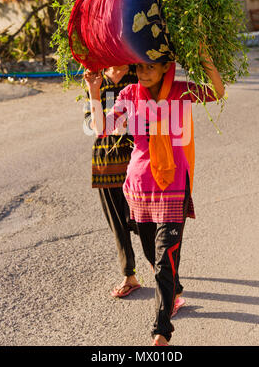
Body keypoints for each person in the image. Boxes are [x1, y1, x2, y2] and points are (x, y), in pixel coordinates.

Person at [84, 49, 225, 346]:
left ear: (165, 68)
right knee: (152, 254)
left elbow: (216, 92)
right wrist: (94, 92)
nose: (144, 72)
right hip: (139, 187)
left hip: (174, 185)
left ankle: (161, 331)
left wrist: (203, 56)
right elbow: (101, 128)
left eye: (151, 67)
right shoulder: (129, 93)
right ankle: (173, 291)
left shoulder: (181, 91)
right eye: (140, 66)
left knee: (164, 258)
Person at [84, 64, 141, 298]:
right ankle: (129, 275)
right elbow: (91, 123)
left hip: (137, 159)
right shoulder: (96, 78)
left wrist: (129, 123)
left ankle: (160, 265)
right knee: (118, 224)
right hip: (106, 161)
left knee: (142, 220)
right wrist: (93, 89)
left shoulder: (139, 73)